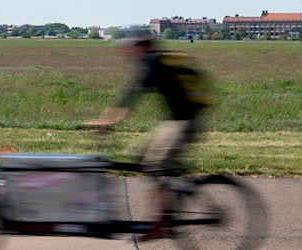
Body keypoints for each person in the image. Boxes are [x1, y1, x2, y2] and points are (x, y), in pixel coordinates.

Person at [88, 38, 211, 240]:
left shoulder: (154, 64)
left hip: (185, 122)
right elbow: (130, 94)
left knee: (155, 164)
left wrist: (107, 122)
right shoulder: (156, 62)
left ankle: (163, 224)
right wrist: (108, 119)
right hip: (175, 121)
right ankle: (173, 189)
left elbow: (131, 98)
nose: (126, 52)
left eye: (130, 47)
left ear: (141, 47)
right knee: (143, 156)